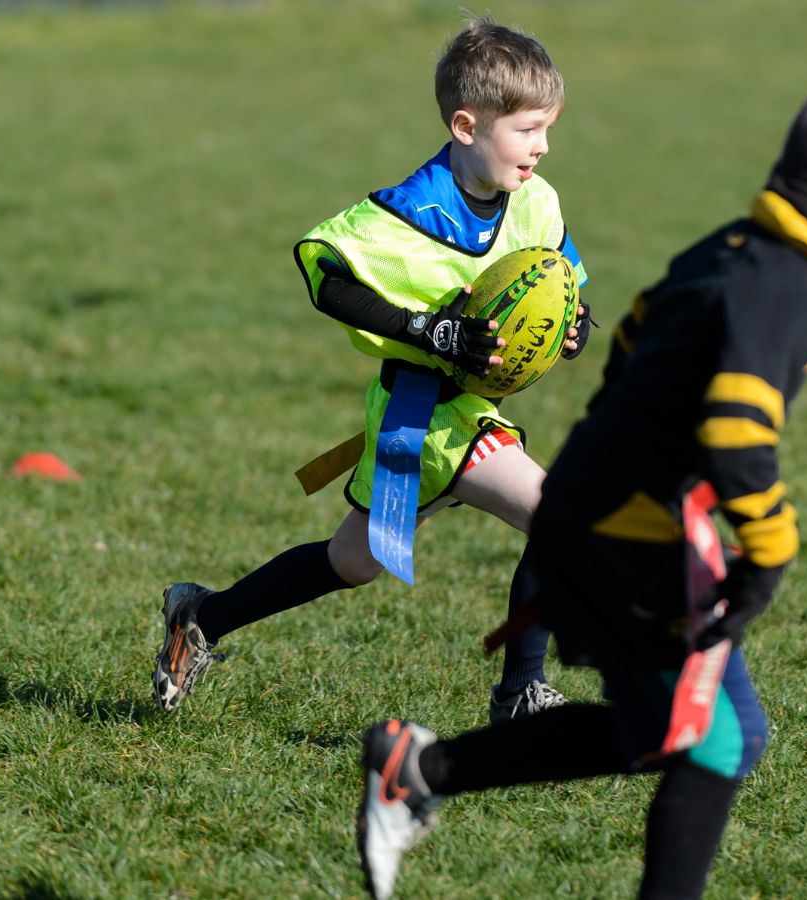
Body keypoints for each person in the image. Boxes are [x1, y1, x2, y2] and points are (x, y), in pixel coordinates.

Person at [355, 78, 807, 899]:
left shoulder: (736, 248)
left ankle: (423, 768)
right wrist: (770, 547)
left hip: (616, 511)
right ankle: (425, 770)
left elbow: (631, 341)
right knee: (712, 743)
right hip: (625, 529)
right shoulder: (789, 284)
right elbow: (735, 430)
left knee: (690, 734)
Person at [151, 16, 591, 723]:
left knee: (351, 561)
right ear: (467, 125)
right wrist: (430, 330)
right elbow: (325, 274)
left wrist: (573, 325)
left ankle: (200, 617)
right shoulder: (408, 212)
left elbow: (561, 279)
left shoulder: (535, 201)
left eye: (548, 129)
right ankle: (520, 696)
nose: (541, 147)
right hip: (421, 415)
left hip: (467, 414)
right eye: (527, 130)